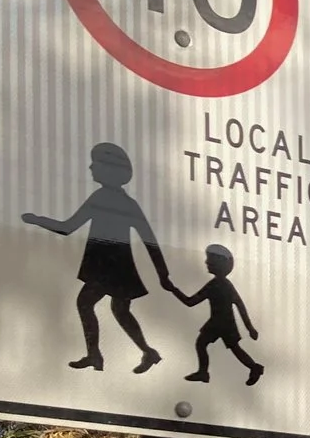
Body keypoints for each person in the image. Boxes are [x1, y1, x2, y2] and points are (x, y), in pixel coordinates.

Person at [21, 141, 172, 374]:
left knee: (87, 303)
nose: (91, 167)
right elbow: (149, 240)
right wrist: (163, 275)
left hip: (108, 265)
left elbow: (67, 227)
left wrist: (36, 220)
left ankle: (97, 355)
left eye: (96, 163)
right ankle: (144, 352)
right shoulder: (123, 202)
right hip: (116, 265)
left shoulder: (104, 198)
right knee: (118, 310)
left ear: (109, 169)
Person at [172, 244, 262, 386]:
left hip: (222, 323)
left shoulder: (218, 285)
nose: (206, 262)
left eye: (210, 259)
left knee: (213, 345)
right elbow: (191, 302)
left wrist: (173, 289)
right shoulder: (217, 284)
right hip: (220, 322)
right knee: (219, 346)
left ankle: (253, 368)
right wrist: (249, 327)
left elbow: (239, 304)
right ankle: (205, 372)